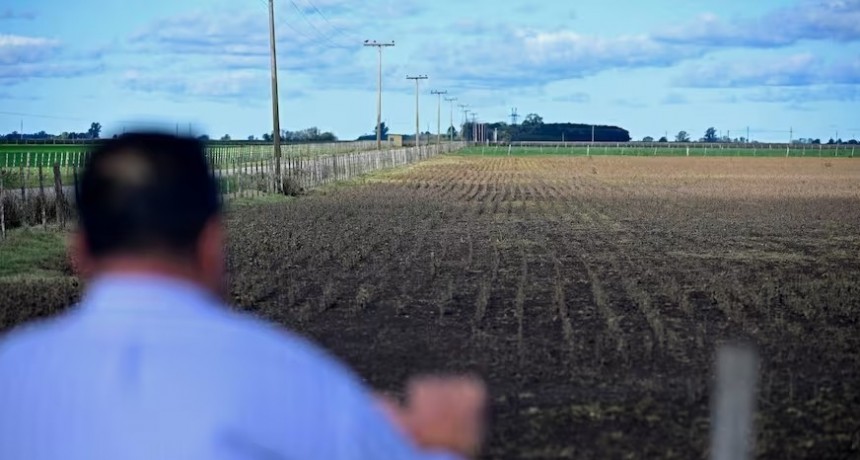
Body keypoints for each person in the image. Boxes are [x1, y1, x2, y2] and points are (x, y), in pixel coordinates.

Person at [0, 132, 487, 459]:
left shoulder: (12, 374)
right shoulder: (297, 378)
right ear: (211, 244)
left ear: (79, 252)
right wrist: (446, 444)